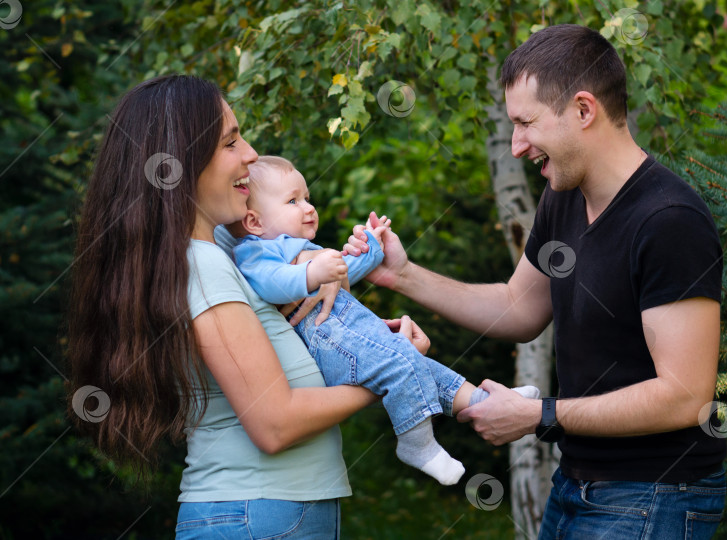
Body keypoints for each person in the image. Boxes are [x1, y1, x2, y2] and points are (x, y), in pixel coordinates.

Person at [345, 24, 726, 539]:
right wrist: (402, 275)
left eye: (526, 123)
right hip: (575, 485)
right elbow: (518, 307)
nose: (518, 146)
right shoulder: (563, 197)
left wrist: (536, 415)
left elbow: (685, 395)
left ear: (584, 110)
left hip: (653, 495)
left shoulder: (669, 220)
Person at [65, 74, 425, 538]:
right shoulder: (203, 266)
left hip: (265, 513)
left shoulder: (215, 255)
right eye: (230, 142)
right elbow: (274, 424)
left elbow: (275, 253)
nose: (251, 154)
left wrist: (320, 260)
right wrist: (395, 369)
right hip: (258, 516)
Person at [214, 155, 541, 486]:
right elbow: (270, 284)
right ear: (255, 222)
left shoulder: (302, 248)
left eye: (307, 198)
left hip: (348, 332)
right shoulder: (254, 250)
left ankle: (480, 402)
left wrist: (371, 247)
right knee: (401, 363)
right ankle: (417, 445)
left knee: (417, 363)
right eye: (293, 200)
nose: (308, 208)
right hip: (327, 340)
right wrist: (314, 270)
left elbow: (347, 273)